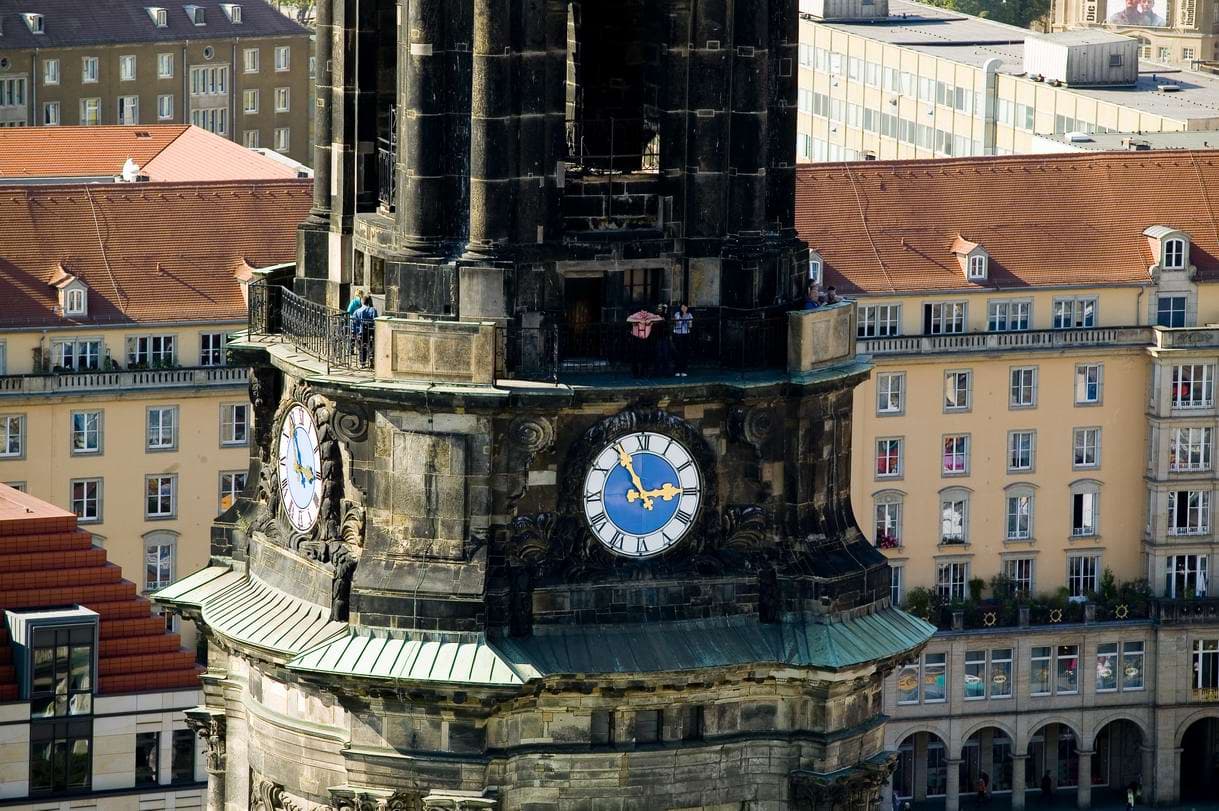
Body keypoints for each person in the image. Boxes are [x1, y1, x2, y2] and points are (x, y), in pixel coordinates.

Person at [627, 308, 661, 378]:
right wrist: (639, 320)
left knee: (645, 356)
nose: (644, 313)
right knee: (635, 356)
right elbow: (628, 319)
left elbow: (659, 318)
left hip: (646, 339)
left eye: (645, 311)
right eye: (643, 311)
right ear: (640, 310)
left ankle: (643, 373)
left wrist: (650, 320)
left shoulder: (649, 315)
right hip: (636, 338)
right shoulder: (637, 315)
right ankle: (635, 373)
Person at [353, 295, 378, 366]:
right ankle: (371, 358)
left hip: (361, 332)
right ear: (369, 302)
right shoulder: (373, 310)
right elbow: (375, 320)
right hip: (371, 331)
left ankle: (362, 363)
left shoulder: (357, 311)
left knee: (362, 347)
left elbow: (354, 323)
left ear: (362, 302)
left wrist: (353, 332)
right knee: (371, 346)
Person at [672, 303, 693, 376]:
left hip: (686, 334)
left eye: (685, 307)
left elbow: (690, 325)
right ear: (680, 308)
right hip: (678, 334)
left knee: (685, 351)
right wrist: (682, 318)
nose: (684, 308)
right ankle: (677, 369)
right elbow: (676, 323)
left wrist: (687, 320)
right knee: (678, 352)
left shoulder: (689, 315)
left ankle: (684, 370)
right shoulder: (677, 314)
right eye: (682, 307)